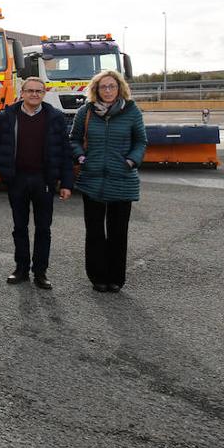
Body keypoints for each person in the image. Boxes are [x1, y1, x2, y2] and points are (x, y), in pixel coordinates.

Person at [0, 77, 74, 289]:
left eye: (38, 91)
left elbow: (65, 151)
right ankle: (21, 268)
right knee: (20, 227)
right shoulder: (8, 115)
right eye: (30, 91)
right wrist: (5, 173)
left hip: (43, 180)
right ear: (22, 93)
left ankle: (40, 272)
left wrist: (66, 183)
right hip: (17, 179)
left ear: (44, 94)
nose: (34, 94)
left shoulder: (55, 117)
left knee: (43, 228)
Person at [70, 69, 147, 293]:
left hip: (122, 178)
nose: (107, 90)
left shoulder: (132, 111)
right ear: (96, 90)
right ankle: (98, 277)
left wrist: (131, 161)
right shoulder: (85, 111)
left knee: (118, 232)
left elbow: (141, 142)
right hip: (92, 179)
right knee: (94, 232)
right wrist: (81, 157)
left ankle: (116, 278)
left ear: (119, 88)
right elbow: (74, 139)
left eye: (112, 86)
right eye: (103, 86)